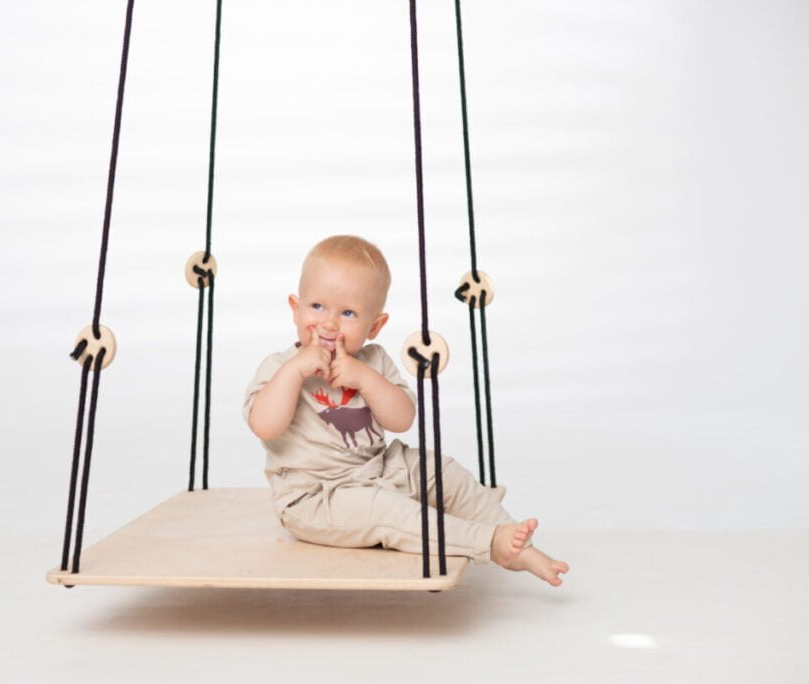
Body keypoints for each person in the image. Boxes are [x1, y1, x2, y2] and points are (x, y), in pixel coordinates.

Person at [243, 235, 569, 586]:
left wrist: (365, 379)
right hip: (318, 498)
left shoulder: (374, 362)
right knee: (391, 512)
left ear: (375, 325)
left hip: (382, 470)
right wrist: (294, 372)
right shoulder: (280, 367)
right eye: (317, 307)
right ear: (295, 308)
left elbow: (401, 419)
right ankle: (489, 544)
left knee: (440, 469)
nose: (330, 323)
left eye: (348, 313)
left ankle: (513, 537)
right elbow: (265, 426)